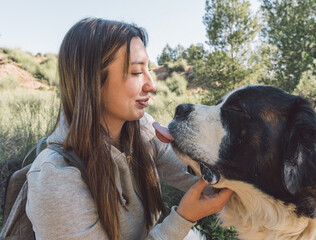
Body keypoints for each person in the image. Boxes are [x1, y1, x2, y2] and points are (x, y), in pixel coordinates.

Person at [25, 17, 233, 240]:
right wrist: (183, 218)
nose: (151, 85)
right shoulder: (55, 177)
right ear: (92, 82)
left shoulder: (143, 132)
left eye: (149, 70)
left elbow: (204, 180)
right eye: (136, 72)